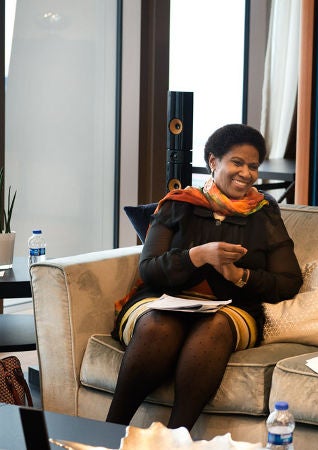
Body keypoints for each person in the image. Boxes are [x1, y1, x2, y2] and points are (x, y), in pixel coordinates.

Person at [106, 124, 303, 430]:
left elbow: (289, 281)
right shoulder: (179, 203)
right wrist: (198, 255)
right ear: (214, 161)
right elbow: (150, 269)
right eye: (237, 162)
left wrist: (241, 275)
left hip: (232, 308)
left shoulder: (265, 213)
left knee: (214, 328)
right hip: (164, 301)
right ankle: (109, 431)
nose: (247, 173)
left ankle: (175, 438)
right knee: (159, 326)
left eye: (253, 167)